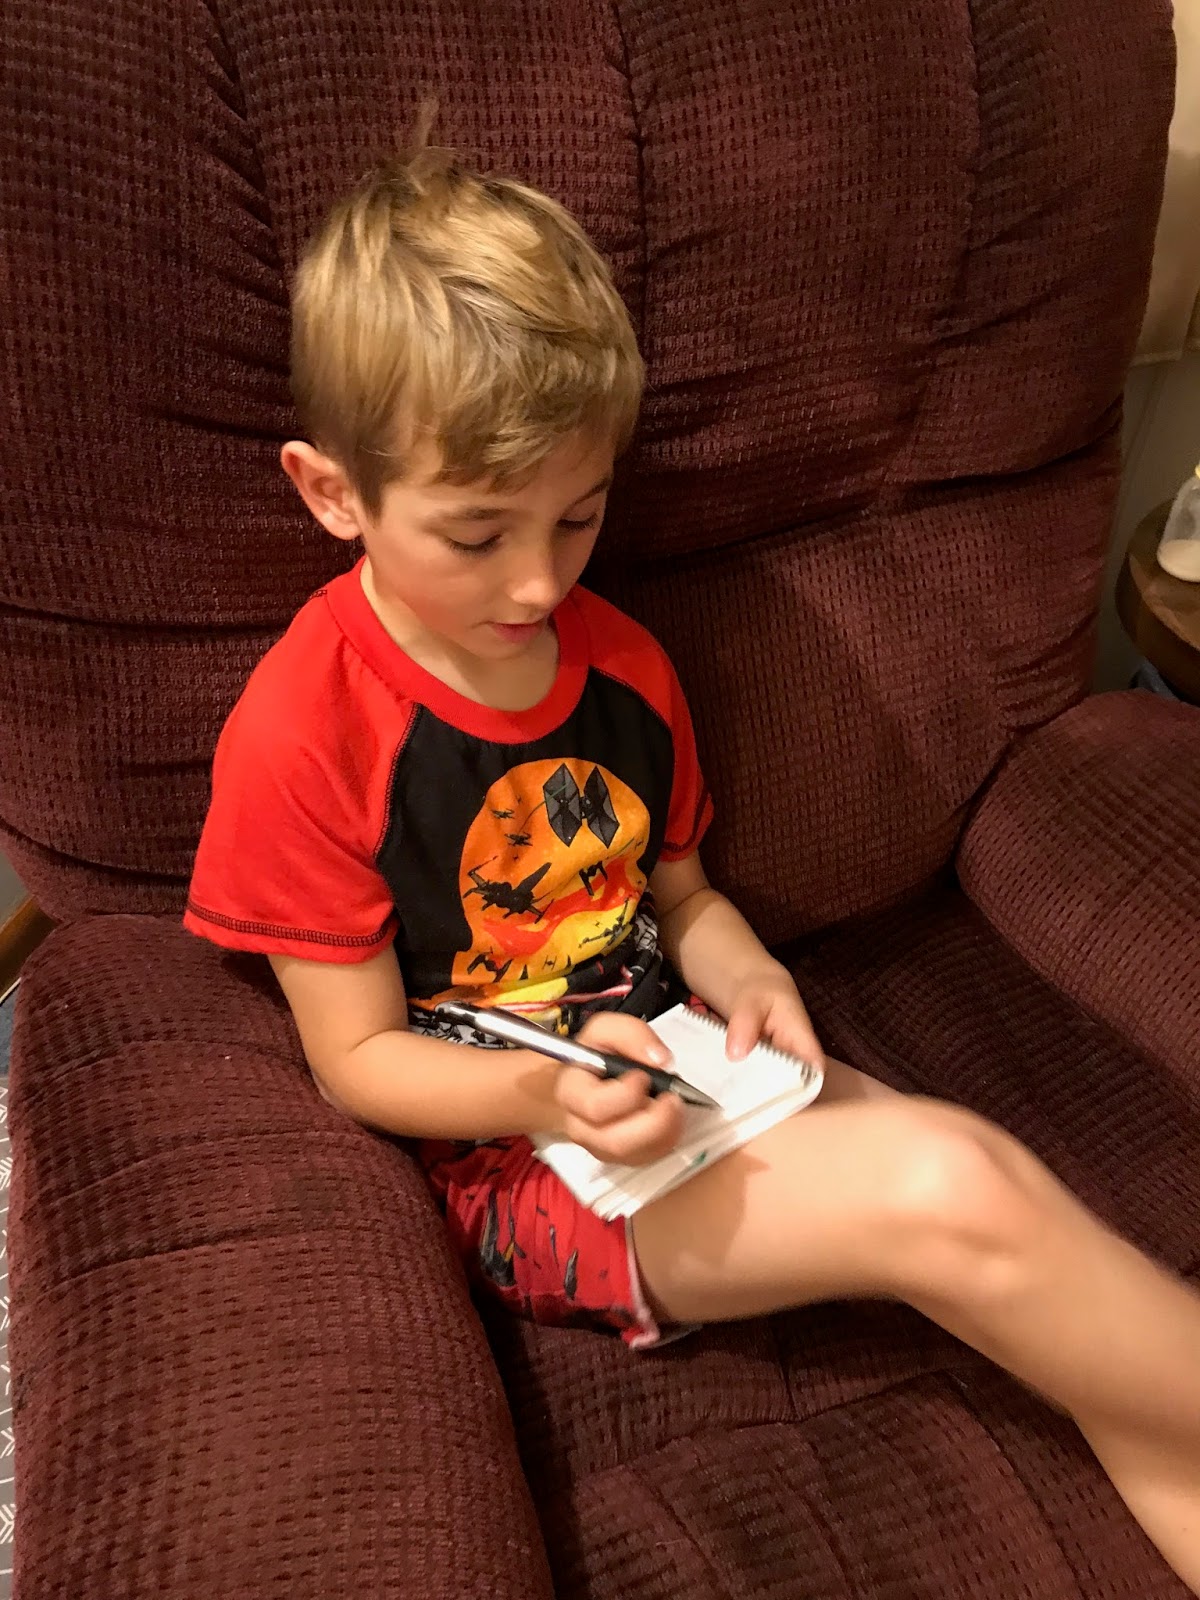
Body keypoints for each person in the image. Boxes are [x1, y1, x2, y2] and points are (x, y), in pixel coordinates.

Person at [185, 132, 1200, 1590]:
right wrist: (545, 1091)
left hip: (691, 1065)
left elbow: (682, 892)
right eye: (475, 535)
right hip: (531, 1173)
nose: (539, 581)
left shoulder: (619, 663)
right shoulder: (305, 729)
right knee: (964, 1193)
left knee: (1025, 1246)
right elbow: (357, 1060)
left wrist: (752, 973)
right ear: (333, 492)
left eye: (578, 517)